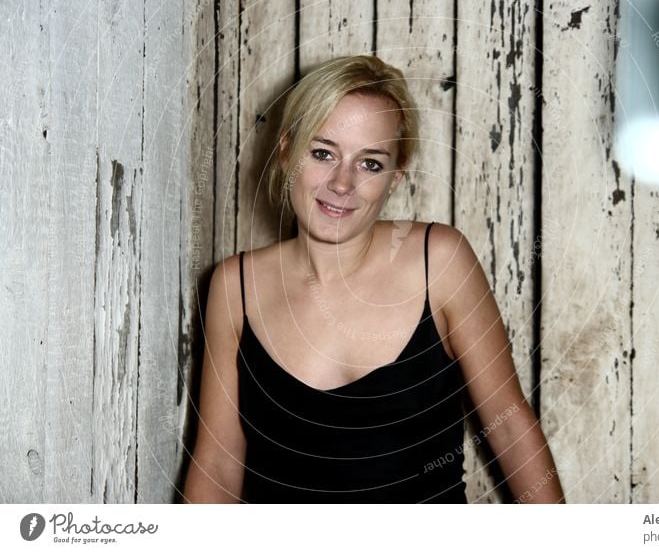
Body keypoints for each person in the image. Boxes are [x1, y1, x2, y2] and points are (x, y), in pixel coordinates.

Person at [183, 55, 564, 504]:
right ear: (286, 152)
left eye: (370, 164)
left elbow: (508, 421)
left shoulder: (438, 262)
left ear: (396, 174)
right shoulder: (234, 287)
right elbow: (219, 463)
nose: (342, 183)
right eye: (322, 153)